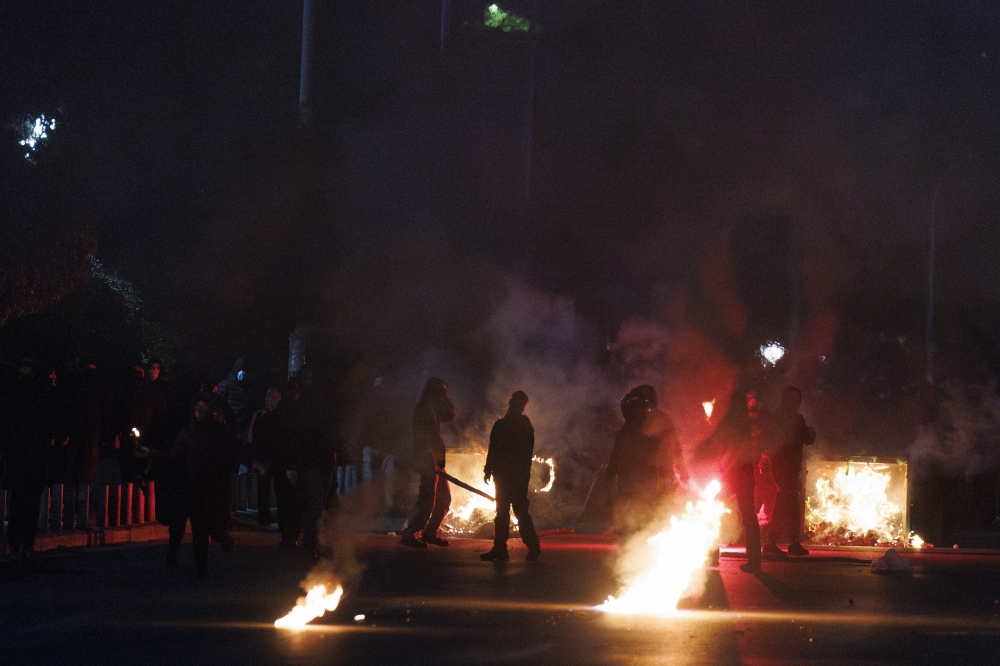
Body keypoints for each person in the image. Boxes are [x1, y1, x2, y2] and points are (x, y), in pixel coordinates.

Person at [165, 399, 236, 578]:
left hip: (198, 483)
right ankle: (198, 561)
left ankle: (191, 562)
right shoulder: (209, 431)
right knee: (200, 524)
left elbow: (175, 456)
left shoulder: (195, 431)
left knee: (195, 525)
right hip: (205, 483)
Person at [605, 385, 689, 535]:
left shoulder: (631, 428)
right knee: (647, 522)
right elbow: (675, 450)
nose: (637, 412)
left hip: (642, 483)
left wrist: (609, 480)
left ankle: (634, 548)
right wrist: (682, 472)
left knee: (641, 523)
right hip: (646, 484)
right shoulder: (633, 429)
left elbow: (614, 460)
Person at [480, 391, 541, 561]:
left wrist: (491, 468)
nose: (519, 407)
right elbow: (493, 448)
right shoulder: (501, 424)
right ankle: (500, 548)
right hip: (504, 476)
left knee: (519, 511)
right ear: (512, 403)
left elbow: (524, 452)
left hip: (516, 476)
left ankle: (533, 546)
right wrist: (488, 469)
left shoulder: (521, 424)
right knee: (502, 512)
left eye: (522, 404)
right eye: (518, 403)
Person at [399, 377, 456, 548]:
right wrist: (431, 459)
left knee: (444, 499)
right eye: (441, 392)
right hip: (427, 460)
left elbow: (450, 415)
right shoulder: (424, 409)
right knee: (427, 500)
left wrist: (446, 400)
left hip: (436, 461)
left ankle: (429, 533)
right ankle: (409, 534)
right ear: (432, 392)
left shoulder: (433, 409)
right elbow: (424, 438)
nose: (443, 395)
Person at [764, 386, 816, 556]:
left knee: (786, 501)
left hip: (779, 467)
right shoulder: (795, 419)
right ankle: (782, 542)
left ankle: (780, 541)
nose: (795, 403)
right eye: (792, 399)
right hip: (787, 468)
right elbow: (807, 438)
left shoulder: (776, 418)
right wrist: (812, 432)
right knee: (789, 503)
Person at [247, 387, 282, 529]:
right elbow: (250, 437)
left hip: (279, 458)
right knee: (263, 490)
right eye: (269, 397)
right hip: (262, 459)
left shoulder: (283, 416)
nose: (271, 400)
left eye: (274, 397)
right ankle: (264, 520)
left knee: (281, 491)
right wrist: (253, 458)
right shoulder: (259, 415)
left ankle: (283, 520)